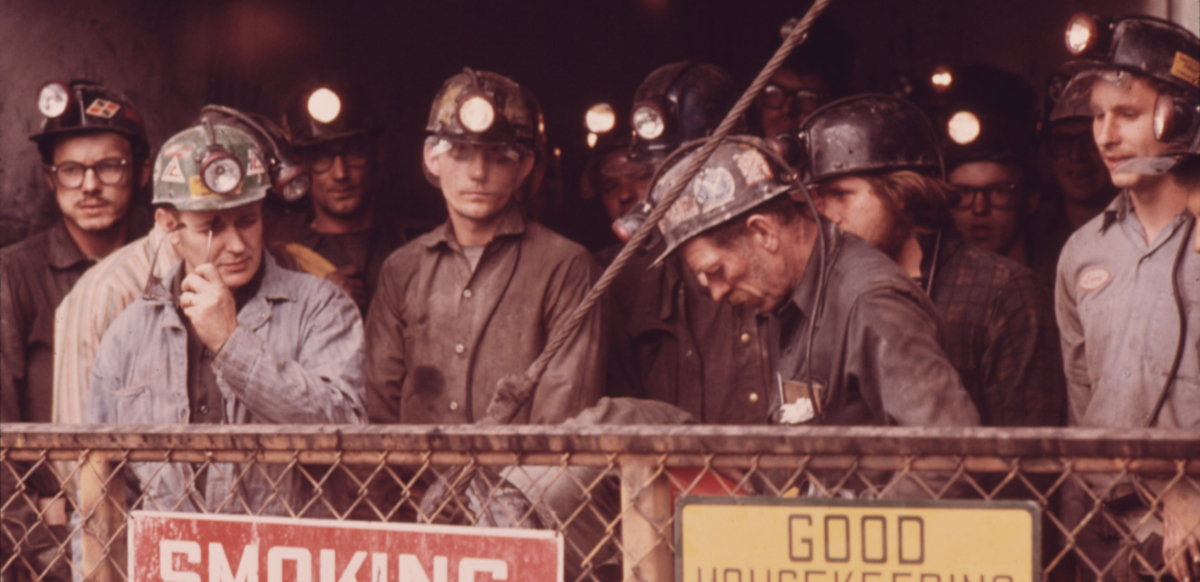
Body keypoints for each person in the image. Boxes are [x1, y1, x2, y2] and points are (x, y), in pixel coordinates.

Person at [87, 107, 366, 515]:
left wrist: (232, 344)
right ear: (168, 226)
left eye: (248, 220)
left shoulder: (321, 307)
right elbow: (99, 485)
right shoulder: (130, 333)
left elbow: (350, 432)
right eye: (212, 228)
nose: (236, 244)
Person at [653, 135, 979, 433]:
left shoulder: (868, 301)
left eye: (717, 270)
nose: (717, 291)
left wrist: (868, 501)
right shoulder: (793, 299)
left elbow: (950, 454)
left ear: (763, 233)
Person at [800, 94, 1065, 427]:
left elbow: (1030, 449)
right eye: (819, 199)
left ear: (899, 194)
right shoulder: (823, 296)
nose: (828, 215)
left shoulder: (1004, 292)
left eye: (841, 195)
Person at [1049, 13, 1200, 580]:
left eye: (1128, 116)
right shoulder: (1082, 253)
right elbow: (1080, 407)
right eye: (1097, 117)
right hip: (1107, 537)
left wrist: (1190, 487)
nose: (1106, 137)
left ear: (1181, 116)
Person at [366, 68, 604, 425]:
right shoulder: (401, 270)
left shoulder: (566, 267)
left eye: (498, 155)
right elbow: (380, 414)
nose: (478, 172)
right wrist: (412, 484)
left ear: (524, 166)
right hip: (415, 481)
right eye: (461, 153)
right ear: (432, 159)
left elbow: (562, 425)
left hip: (526, 481)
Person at [0, 81, 151, 582]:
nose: (89, 185)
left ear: (143, 173)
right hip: (52, 529)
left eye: (109, 166)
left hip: (160, 519)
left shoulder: (169, 264)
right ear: (50, 179)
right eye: (71, 169)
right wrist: (39, 548)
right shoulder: (15, 276)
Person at [602, 62, 777, 424]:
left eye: (690, 171)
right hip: (677, 478)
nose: (672, 190)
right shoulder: (627, 281)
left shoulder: (785, 260)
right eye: (658, 173)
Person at [268, 81, 418, 314]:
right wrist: (316, 305)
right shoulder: (280, 257)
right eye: (320, 158)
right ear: (300, 166)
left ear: (377, 154)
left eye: (354, 152)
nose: (340, 173)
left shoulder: (418, 245)